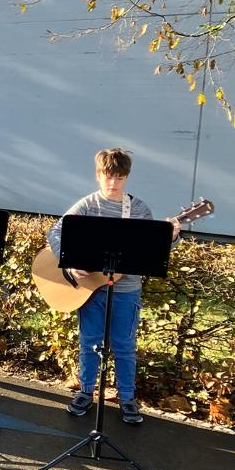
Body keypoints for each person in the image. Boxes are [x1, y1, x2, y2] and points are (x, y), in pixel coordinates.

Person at [47, 148, 181, 425]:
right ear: (98, 176)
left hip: (126, 289)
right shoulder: (88, 205)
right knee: (89, 342)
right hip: (92, 290)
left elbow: (152, 250)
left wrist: (172, 237)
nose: (113, 184)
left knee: (123, 345)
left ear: (127, 178)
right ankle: (86, 392)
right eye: (108, 177)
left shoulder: (139, 209)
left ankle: (128, 398)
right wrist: (71, 264)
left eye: (119, 178)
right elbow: (55, 232)